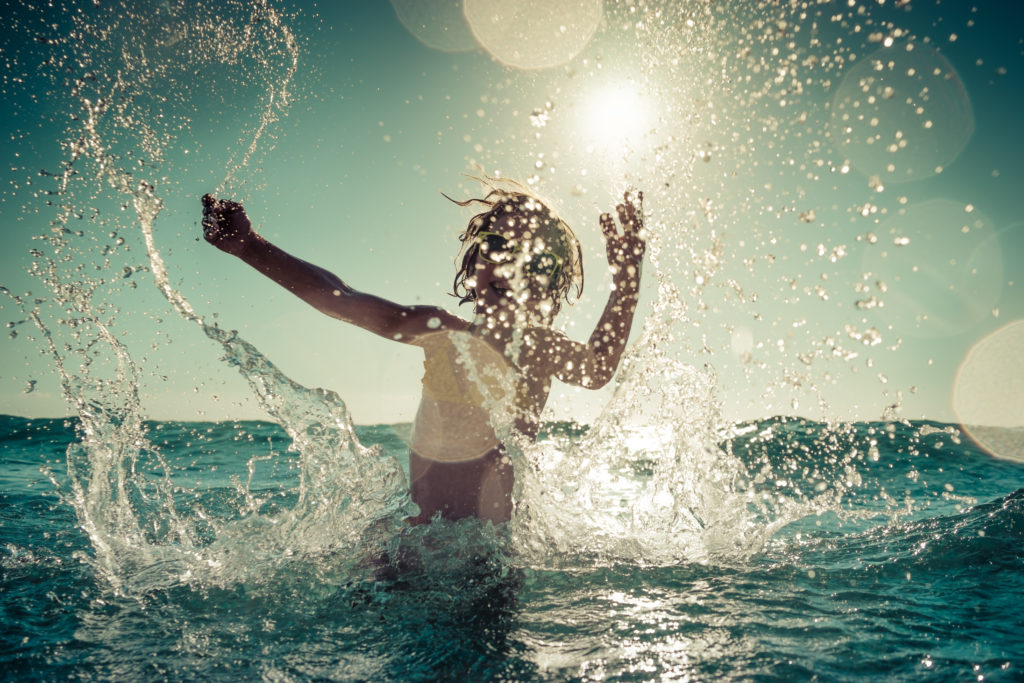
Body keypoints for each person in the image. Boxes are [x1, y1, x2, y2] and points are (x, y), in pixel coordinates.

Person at [200, 183, 645, 525]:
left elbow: (596, 369)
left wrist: (626, 283)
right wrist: (249, 247)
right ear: (476, 260)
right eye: (495, 246)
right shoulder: (440, 331)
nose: (506, 266)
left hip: (492, 547)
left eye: (529, 259)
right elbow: (339, 298)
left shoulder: (539, 349)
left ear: (546, 282)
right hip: (421, 535)